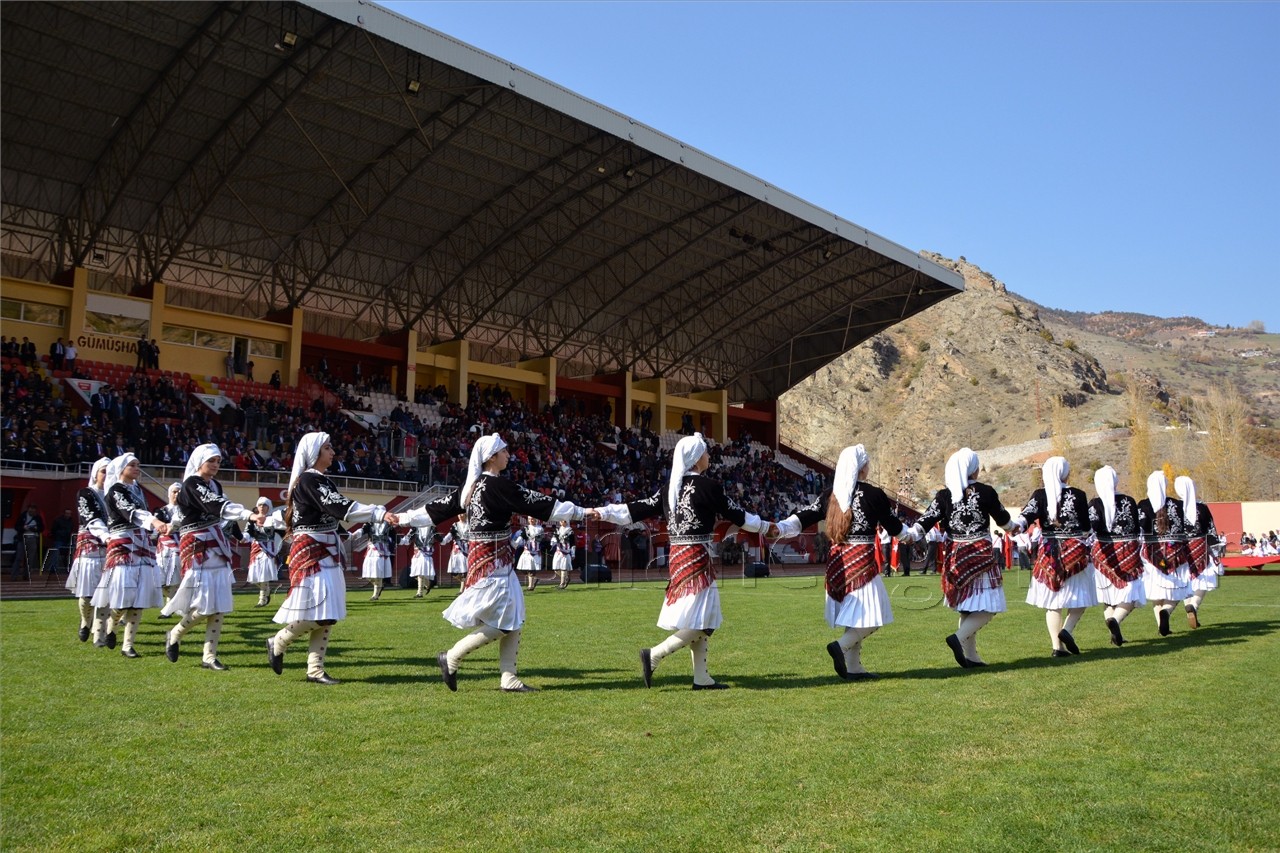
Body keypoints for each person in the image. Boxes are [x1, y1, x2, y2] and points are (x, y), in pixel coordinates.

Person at [398, 433, 595, 693]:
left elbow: (436, 509)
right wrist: (581, 512)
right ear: (491, 457)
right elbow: (540, 504)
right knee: (503, 622)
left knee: (515, 615)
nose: (508, 455)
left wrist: (403, 518)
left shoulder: (470, 488)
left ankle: (509, 678)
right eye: (504, 451)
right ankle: (453, 656)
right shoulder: (498, 486)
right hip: (493, 564)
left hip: (490, 561)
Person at [597, 432, 773, 690]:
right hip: (697, 556)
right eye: (705, 451)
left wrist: (603, 512)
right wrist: (767, 526)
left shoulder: (670, 488)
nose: (708, 455)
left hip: (678, 556)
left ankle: (701, 678)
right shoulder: (709, 487)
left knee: (699, 617)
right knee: (705, 619)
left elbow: (634, 509)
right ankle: (654, 654)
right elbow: (739, 515)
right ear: (697, 457)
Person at [266, 432, 400, 684]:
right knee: (322, 613)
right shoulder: (309, 480)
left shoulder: (321, 481)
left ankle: (315, 670)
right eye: (327, 447)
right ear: (315, 452)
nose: (333, 452)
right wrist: (377, 513)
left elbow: (335, 511)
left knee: (328, 611)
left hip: (326, 551)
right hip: (313, 553)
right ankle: (279, 641)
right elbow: (339, 506)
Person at [776, 444, 916, 681]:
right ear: (862, 468)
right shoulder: (873, 494)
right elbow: (894, 527)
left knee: (854, 615)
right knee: (875, 615)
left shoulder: (830, 495)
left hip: (838, 564)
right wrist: (910, 536)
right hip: (862, 563)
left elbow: (803, 516)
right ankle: (840, 647)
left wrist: (779, 527)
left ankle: (853, 667)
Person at [908, 448, 1017, 668]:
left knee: (967, 608)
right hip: (980, 555)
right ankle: (958, 638)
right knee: (989, 607)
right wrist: (1015, 526)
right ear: (973, 469)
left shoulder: (945, 495)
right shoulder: (985, 492)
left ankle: (971, 656)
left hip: (956, 557)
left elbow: (926, 520)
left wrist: (909, 534)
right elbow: (1004, 520)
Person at [162, 444, 261, 670]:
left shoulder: (214, 484)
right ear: (199, 462)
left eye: (218, 461)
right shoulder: (192, 483)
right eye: (211, 461)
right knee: (204, 602)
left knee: (220, 602)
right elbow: (217, 505)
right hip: (197, 545)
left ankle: (209, 656)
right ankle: (175, 633)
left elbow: (221, 507)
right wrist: (247, 514)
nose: (216, 465)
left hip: (216, 543)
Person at [1015, 456, 1097, 658]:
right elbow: (1086, 526)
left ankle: (1057, 647)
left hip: (1049, 553)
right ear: (1065, 473)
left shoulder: (1040, 495)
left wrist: (1015, 525)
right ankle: (1067, 630)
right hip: (1075, 553)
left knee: (1053, 603)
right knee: (1081, 597)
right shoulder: (1078, 494)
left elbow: (1026, 516)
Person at [90, 453, 168, 656]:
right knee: (124, 596)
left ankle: (128, 645)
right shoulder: (115, 490)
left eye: (138, 465)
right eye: (132, 465)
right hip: (123, 543)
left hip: (141, 544)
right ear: (121, 468)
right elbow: (129, 511)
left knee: (139, 598)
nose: (136, 468)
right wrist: (153, 521)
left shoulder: (138, 490)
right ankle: (112, 624)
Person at [1088, 466, 1146, 646]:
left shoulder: (1094, 504)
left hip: (1103, 554)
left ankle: (1113, 630)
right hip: (1127, 552)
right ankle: (1116, 620)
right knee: (1132, 594)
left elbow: (1091, 527)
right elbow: (1137, 528)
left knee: (1108, 596)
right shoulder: (1129, 501)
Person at [1137, 470, 1192, 637]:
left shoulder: (1143, 505)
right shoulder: (1177, 504)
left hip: (1153, 554)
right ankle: (1166, 612)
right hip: (1176, 553)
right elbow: (1186, 528)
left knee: (1156, 592)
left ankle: (1161, 625)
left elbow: (1141, 529)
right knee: (1179, 588)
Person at [66, 458, 111, 643]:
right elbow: (90, 518)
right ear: (95, 473)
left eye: (110, 471)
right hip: (90, 547)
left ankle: (99, 634)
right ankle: (85, 621)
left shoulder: (115, 494)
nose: (107, 475)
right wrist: (105, 535)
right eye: (103, 471)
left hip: (111, 547)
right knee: (86, 593)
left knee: (106, 591)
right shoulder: (86, 493)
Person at [1175, 476, 1222, 628]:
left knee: (1185, 579)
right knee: (1203, 579)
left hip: (1180, 548)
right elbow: (1211, 530)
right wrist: (1217, 551)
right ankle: (1194, 605)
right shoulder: (1201, 507)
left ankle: (1189, 608)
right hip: (1200, 547)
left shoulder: (1174, 507)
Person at [244, 497, 283, 607]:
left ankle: (262, 599)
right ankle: (267, 590)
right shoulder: (252, 519)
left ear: (269, 507)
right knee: (254, 576)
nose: (262, 507)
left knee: (264, 575)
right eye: (260, 505)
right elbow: (248, 532)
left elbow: (281, 532)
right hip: (256, 548)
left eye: (264, 505)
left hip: (269, 549)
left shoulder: (273, 519)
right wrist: (244, 537)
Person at [153, 483, 182, 608]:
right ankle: (173, 603)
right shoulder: (161, 511)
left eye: (179, 492)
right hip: (164, 548)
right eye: (174, 492)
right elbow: (154, 531)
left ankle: (169, 607)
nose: (177, 494)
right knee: (161, 578)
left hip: (181, 546)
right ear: (169, 494)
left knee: (176, 577)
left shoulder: (186, 511)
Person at [359, 514, 396, 601]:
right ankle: (380, 586)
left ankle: (375, 595)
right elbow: (362, 531)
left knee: (378, 574)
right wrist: (353, 535)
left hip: (383, 551)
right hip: (371, 550)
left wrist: (403, 541)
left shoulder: (389, 525)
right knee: (367, 574)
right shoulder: (369, 524)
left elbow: (394, 537)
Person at [401, 524, 439, 598]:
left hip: (426, 554)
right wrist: (401, 540)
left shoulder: (432, 529)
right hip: (417, 554)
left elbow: (439, 539)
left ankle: (419, 593)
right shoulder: (414, 528)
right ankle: (428, 584)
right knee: (415, 574)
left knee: (420, 574)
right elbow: (407, 540)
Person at [9, 503, 44, 580]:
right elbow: (16, 526)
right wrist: (23, 528)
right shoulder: (22, 516)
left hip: (33, 538)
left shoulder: (38, 518)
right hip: (22, 538)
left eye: (33, 509)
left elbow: (42, 528)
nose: (32, 511)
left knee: (30, 558)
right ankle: (14, 575)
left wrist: (35, 529)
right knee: (19, 557)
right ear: (28, 509)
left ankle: (26, 575)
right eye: (31, 509)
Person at [515, 518, 545, 592]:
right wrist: (516, 543)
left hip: (536, 551)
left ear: (535, 519)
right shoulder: (526, 528)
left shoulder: (540, 528)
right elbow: (522, 536)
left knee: (531, 568)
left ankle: (530, 586)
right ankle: (534, 579)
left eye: (532, 519)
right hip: (527, 551)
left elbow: (542, 539)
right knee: (522, 568)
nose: (531, 520)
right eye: (529, 519)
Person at [442, 516, 468, 584]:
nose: (461, 516)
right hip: (457, 550)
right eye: (459, 514)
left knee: (465, 570)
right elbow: (450, 535)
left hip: (466, 549)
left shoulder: (470, 524)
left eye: (462, 514)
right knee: (453, 571)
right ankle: (465, 583)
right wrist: (443, 540)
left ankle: (463, 587)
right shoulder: (455, 525)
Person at [552, 520, 575, 589]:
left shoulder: (570, 531)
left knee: (563, 568)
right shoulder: (557, 530)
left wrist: (573, 553)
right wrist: (553, 541)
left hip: (565, 551)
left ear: (566, 522)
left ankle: (562, 584)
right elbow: (553, 540)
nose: (561, 522)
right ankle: (566, 578)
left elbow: (572, 543)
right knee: (555, 568)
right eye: (561, 521)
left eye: (563, 521)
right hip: (558, 551)